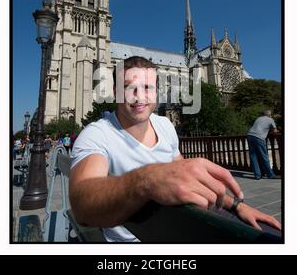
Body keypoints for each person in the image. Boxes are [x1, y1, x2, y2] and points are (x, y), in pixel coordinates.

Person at [70, 56, 281, 242]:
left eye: (147, 87)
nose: (139, 96)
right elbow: (82, 204)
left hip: (182, 224)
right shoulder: (97, 134)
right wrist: (146, 179)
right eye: (129, 87)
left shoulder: (164, 125)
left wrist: (237, 206)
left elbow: (184, 174)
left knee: (269, 236)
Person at [247, 110, 280, 180]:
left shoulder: (258, 118)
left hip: (250, 135)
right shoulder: (271, 120)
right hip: (259, 137)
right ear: (270, 115)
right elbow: (274, 131)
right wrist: (275, 131)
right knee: (264, 156)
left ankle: (257, 175)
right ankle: (270, 174)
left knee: (253, 156)